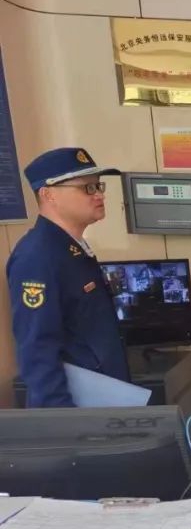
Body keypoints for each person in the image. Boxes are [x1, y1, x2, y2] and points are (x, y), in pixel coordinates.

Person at [6, 147, 127, 408]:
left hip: (103, 395)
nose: (99, 194)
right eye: (87, 188)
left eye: (98, 186)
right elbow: (37, 348)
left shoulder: (70, 247)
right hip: (75, 407)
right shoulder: (37, 256)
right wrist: (63, 419)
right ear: (48, 194)